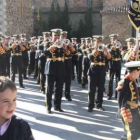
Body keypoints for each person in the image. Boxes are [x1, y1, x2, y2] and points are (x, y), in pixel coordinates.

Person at [87, 35, 111, 112]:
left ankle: (99, 105)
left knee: (100, 89)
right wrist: (96, 50)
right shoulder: (90, 48)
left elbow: (109, 57)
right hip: (93, 70)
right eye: (97, 41)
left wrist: (106, 51)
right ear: (94, 41)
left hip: (102, 70)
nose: (99, 43)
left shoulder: (104, 48)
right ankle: (90, 105)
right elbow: (90, 57)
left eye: (100, 41)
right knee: (91, 89)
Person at [118, 61, 140, 140]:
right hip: (128, 111)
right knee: (130, 134)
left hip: (135, 110)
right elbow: (121, 99)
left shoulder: (133, 80)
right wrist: (125, 112)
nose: (139, 73)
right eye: (139, 71)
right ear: (135, 71)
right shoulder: (125, 82)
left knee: (137, 131)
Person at [107, 34, 122, 100]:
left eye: (115, 39)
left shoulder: (119, 45)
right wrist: (112, 49)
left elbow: (121, 54)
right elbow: (108, 55)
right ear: (110, 40)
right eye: (112, 39)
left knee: (118, 80)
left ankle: (117, 94)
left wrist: (120, 48)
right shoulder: (108, 46)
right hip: (112, 64)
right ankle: (109, 94)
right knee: (110, 79)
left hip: (118, 63)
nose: (114, 40)